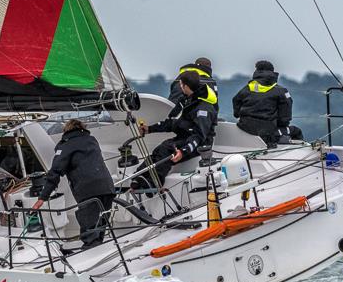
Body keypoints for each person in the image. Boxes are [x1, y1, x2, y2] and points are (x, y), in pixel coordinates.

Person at [32, 119, 115, 249]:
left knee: (89, 225)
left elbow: (55, 171)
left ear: (66, 130)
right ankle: (99, 247)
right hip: (107, 187)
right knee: (101, 223)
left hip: (87, 189)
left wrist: (43, 197)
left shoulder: (66, 145)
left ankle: (91, 252)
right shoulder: (91, 140)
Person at [134, 70, 218, 189]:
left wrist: (183, 151)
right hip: (183, 138)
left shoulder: (204, 108)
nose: (180, 86)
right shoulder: (185, 101)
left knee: (166, 150)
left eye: (181, 84)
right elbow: (171, 122)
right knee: (159, 150)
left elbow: (199, 136)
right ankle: (138, 178)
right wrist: (149, 129)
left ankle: (154, 183)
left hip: (198, 144)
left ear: (185, 86)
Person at [232, 60, 301, 147]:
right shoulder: (281, 91)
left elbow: (235, 101)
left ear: (256, 72)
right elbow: (285, 118)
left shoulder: (247, 88)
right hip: (269, 132)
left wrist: (238, 114)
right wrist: (279, 125)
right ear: (273, 72)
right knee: (297, 131)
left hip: (245, 127)